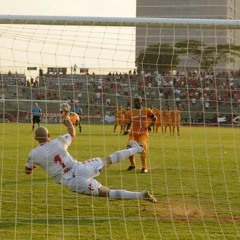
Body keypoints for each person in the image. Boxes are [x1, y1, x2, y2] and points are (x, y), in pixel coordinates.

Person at [25, 103, 157, 203]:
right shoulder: (58, 142)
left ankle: (140, 195)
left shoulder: (34, 153)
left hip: (71, 181)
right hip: (80, 168)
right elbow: (72, 133)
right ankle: (136, 149)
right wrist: (67, 118)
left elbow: (27, 171)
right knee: (107, 161)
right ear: (49, 135)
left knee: (108, 192)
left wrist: (36, 164)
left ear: (36, 139)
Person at [125, 96, 156, 173]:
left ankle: (144, 167)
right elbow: (129, 123)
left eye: (137, 101)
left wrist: (150, 126)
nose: (136, 103)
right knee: (129, 147)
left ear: (141, 102)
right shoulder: (130, 112)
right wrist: (127, 129)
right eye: (135, 101)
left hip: (143, 133)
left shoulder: (147, 110)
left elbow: (154, 118)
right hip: (133, 134)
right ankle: (132, 164)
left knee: (141, 147)